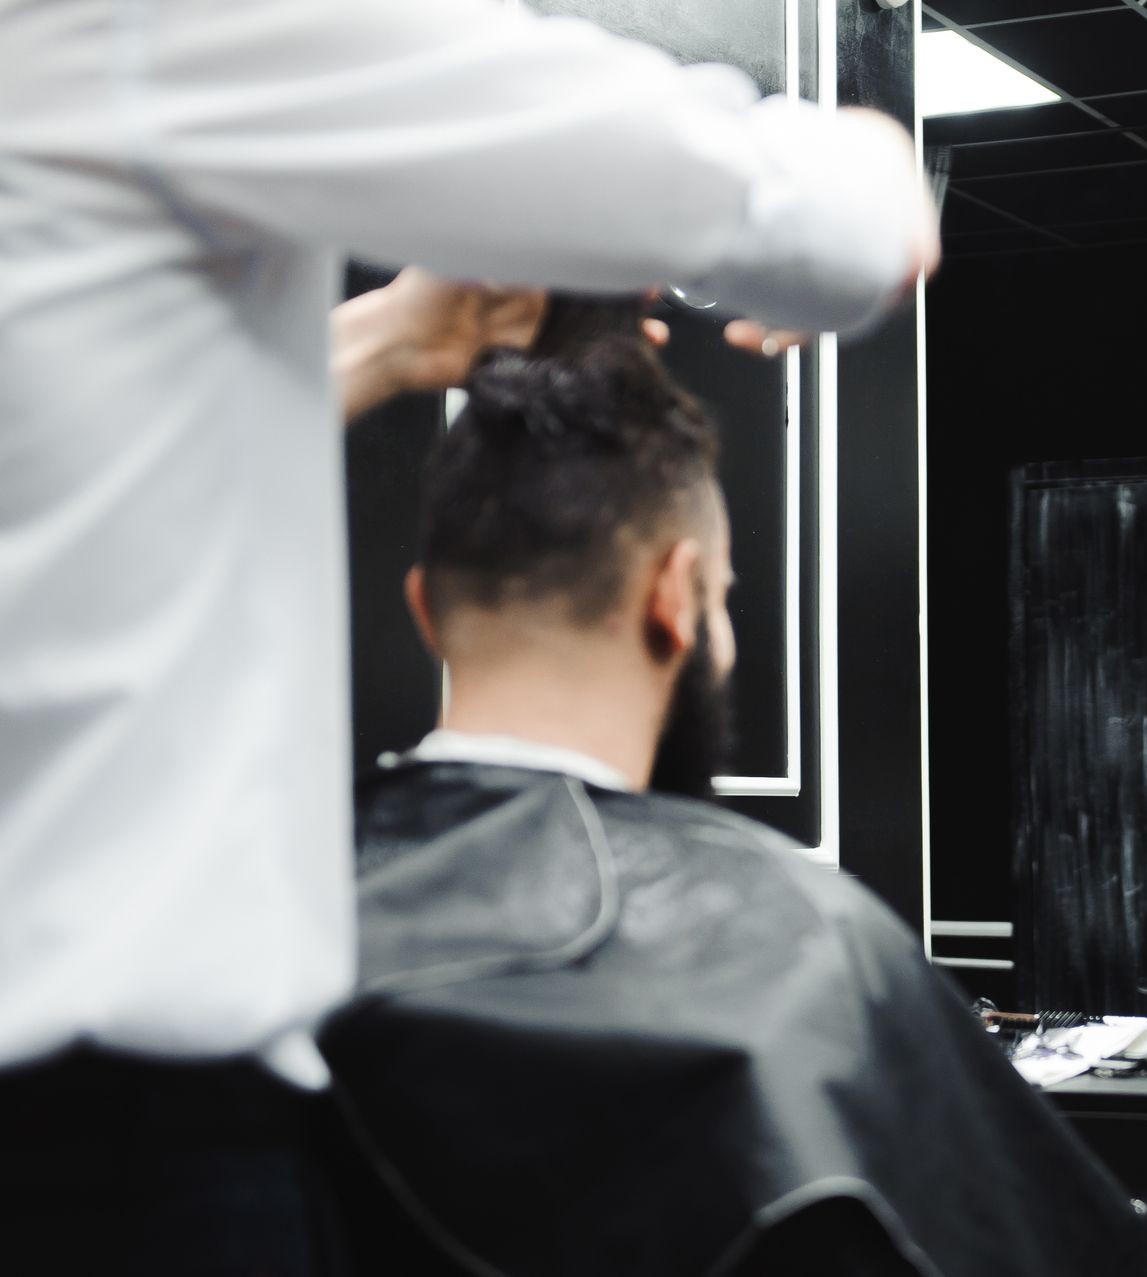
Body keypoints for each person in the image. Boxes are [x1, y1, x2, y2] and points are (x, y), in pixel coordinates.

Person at [0, 0, 934, 1265]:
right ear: (681, 595)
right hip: (109, 1152)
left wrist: (388, 338)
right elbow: (830, 224)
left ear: (425, 607)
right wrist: (878, 156)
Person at [322, 326, 1147, 1275]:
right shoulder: (813, 942)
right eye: (723, 596)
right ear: (676, 595)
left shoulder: (253, 923)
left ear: (425, 608)